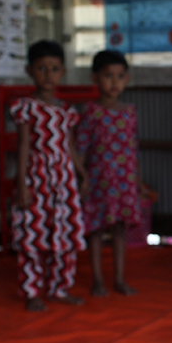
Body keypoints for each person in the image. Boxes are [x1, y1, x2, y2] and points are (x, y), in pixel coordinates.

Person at [11, 40, 88, 312]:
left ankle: (59, 287)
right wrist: (21, 184)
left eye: (54, 69)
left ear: (63, 72)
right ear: (29, 70)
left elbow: (68, 145)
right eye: (41, 68)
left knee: (64, 234)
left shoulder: (66, 111)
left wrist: (82, 173)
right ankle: (31, 290)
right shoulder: (26, 107)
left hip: (64, 181)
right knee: (32, 233)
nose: (48, 74)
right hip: (36, 178)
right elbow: (22, 146)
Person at [76, 50, 140, 297]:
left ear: (127, 78)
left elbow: (134, 149)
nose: (114, 82)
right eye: (108, 76)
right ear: (95, 78)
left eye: (120, 76)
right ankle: (98, 281)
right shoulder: (90, 112)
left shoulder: (129, 111)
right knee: (94, 231)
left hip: (124, 183)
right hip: (97, 183)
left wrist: (139, 182)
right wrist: (81, 179)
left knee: (120, 231)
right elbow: (80, 150)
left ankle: (120, 279)